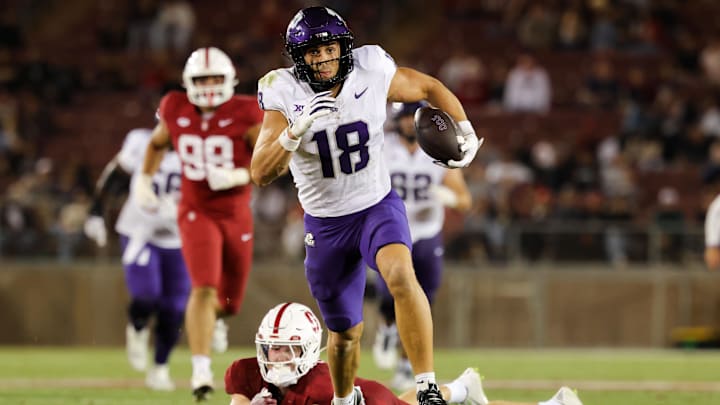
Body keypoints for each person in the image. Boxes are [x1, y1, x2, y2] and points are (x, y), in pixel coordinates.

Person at [251, 7, 482, 405]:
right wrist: (294, 131)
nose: (322, 58)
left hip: (376, 204)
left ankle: (427, 385)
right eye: (312, 51)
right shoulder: (283, 92)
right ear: (297, 57)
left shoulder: (371, 69)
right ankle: (344, 400)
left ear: (344, 45)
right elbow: (259, 171)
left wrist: (465, 129)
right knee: (343, 333)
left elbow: (428, 87)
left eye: (329, 47)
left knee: (400, 275)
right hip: (324, 223)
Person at [133, 46, 263, 401]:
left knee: (230, 302)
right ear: (188, 82)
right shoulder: (175, 107)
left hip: (235, 212)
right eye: (201, 79)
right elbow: (157, 143)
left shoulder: (246, 110)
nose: (207, 86)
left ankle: (216, 320)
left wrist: (240, 174)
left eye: (214, 79)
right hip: (195, 210)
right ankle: (201, 368)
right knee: (203, 287)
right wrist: (145, 179)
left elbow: (270, 163)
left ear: (230, 81)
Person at [224, 302, 583, 405]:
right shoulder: (247, 372)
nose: (276, 358)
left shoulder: (319, 388)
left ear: (307, 351)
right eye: (271, 348)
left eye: (287, 350)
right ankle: (462, 389)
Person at [373, 102, 472, 390]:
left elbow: (465, 200)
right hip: (391, 229)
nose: (407, 124)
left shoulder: (438, 150)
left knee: (423, 302)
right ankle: (387, 328)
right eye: (404, 117)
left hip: (427, 232)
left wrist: (449, 197)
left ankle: (406, 364)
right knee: (388, 295)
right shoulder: (382, 147)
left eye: (412, 118)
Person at [84, 127, 189, 391]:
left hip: (180, 239)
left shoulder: (202, 146)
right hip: (140, 232)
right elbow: (116, 176)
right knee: (145, 295)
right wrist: (96, 212)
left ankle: (160, 368)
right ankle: (138, 325)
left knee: (174, 309)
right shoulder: (141, 142)